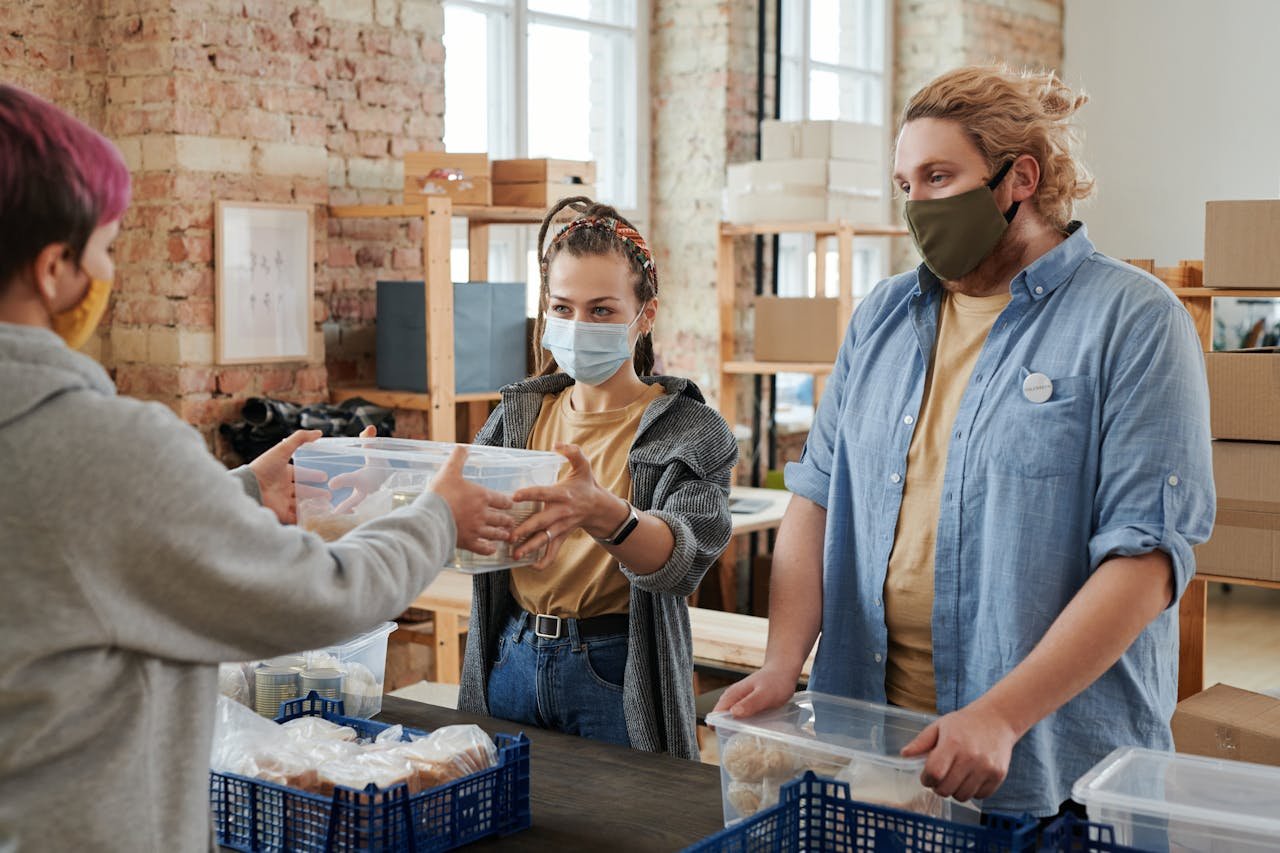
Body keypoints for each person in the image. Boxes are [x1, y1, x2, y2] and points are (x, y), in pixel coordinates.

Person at [0, 83, 515, 850]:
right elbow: (321, 596)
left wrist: (234, 494)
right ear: (52, 269)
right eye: (106, 249)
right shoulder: (97, 443)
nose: (108, 273)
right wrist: (436, 517)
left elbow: (72, 547)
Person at [715, 65, 1215, 818]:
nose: (917, 205)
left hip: (1050, 767)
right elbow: (816, 498)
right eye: (904, 183)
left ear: (1019, 178)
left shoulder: (1135, 321)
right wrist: (786, 662)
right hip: (878, 749)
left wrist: (1002, 713)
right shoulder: (882, 317)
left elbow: (1146, 561)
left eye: (939, 176)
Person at [457, 197, 738, 759]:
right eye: (562, 308)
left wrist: (601, 512)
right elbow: (466, 516)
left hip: (615, 667)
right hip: (510, 654)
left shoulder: (690, 429)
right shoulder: (518, 416)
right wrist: (384, 488)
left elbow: (682, 565)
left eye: (602, 310)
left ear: (645, 315)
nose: (577, 326)